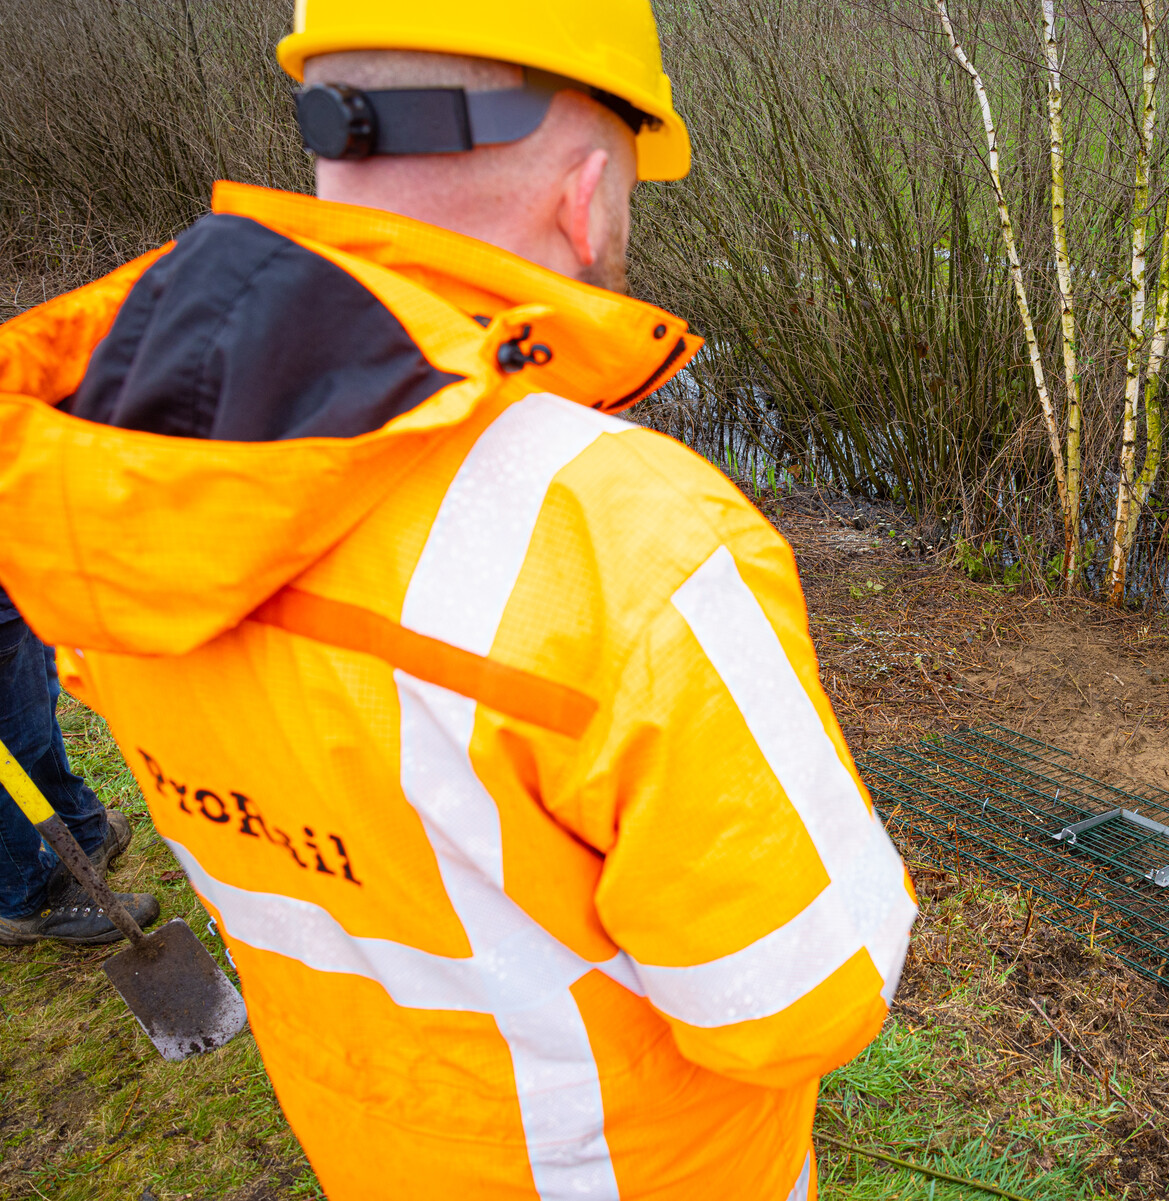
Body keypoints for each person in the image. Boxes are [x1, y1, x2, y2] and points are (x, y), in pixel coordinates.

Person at [0, 1, 915, 1197]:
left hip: (371, 1149)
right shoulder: (627, 540)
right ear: (586, 194)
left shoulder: (112, 472)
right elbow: (801, 1002)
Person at [0, 583, 154, 945]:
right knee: (10, 751)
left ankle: (79, 832)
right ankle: (25, 899)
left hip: (14, 582)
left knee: (33, 715)